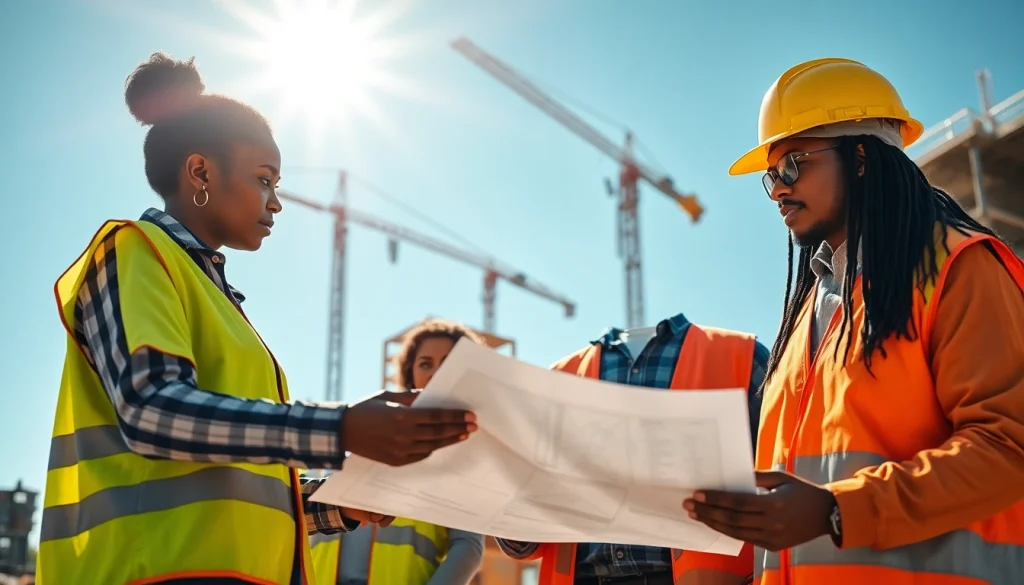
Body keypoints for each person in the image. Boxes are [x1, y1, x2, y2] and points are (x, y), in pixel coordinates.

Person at [38, 53, 477, 585]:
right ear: (200, 171)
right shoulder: (135, 251)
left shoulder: (216, 296)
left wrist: (342, 502)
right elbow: (151, 411)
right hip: (141, 572)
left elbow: (241, 487)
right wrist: (341, 428)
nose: (276, 203)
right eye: (265, 180)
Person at [684, 58, 1024, 584]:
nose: (778, 189)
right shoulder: (805, 319)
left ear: (860, 158)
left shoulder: (959, 267)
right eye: (771, 176)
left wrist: (838, 510)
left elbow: (1009, 447)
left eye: (793, 165)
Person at [497, 312, 770, 585]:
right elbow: (524, 544)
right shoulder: (556, 379)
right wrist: (500, 478)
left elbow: (783, 492)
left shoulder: (743, 356)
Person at [310, 318, 486, 585]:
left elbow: (468, 547)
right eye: (425, 363)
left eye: (449, 364)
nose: (435, 373)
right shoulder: (373, 431)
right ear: (409, 371)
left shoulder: (466, 456)